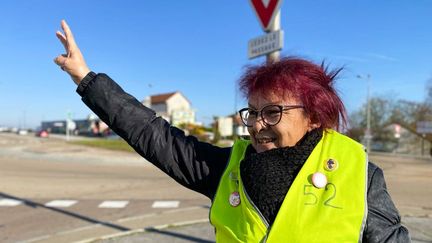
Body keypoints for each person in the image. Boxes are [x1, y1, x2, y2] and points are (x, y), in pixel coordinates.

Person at [54, 20, 410, 242]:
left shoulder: (358, 173)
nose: (257, 124)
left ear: (315, 116)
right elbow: (153, 133)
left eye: (272, 112)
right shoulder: (229, 169)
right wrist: (85, 78)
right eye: (252, 112)